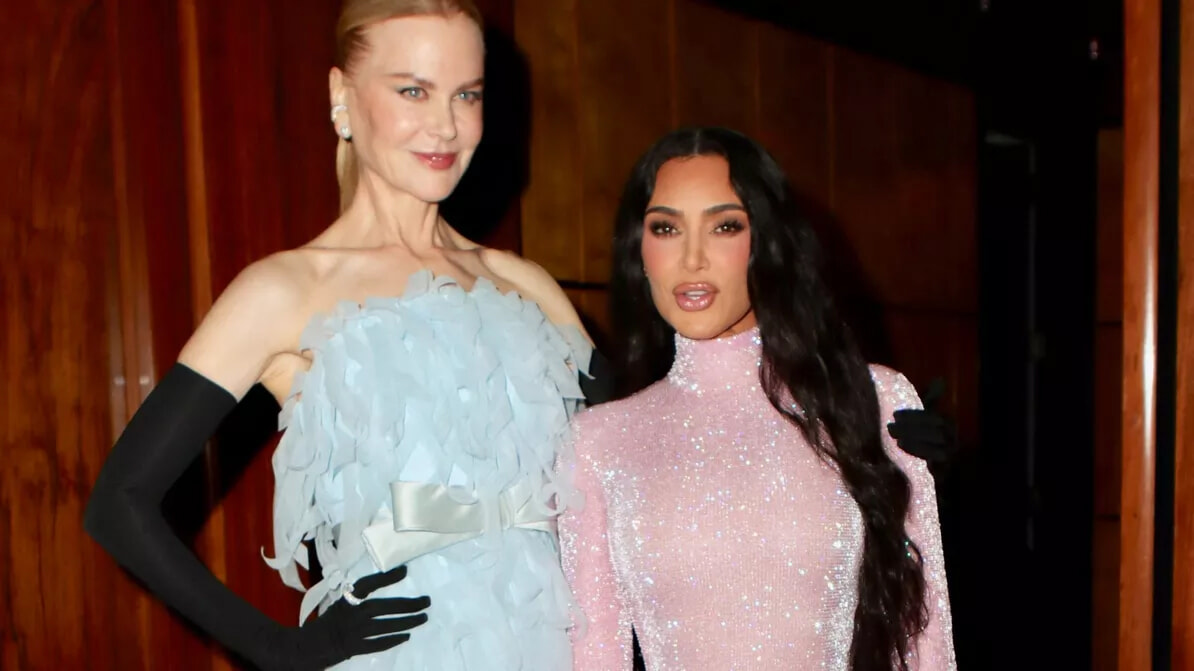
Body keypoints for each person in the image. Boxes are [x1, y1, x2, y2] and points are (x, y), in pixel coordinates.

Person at [84, 2, 606, 669]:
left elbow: (634, 465)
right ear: (342, 95)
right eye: (412, 90)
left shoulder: (527, 285)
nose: (446, 125)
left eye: (466, 95)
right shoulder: (283, 290)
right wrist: (282, 648)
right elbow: (119, 503)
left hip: (557, 644)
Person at [559, 127, 956, 670]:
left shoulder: (872, 400)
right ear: (640, 250)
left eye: (724, 226)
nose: (692, 258)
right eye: (666, 228)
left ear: (766, 241)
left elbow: (923, 641)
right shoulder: (599, 441)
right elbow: (594, 654)